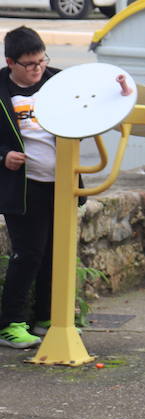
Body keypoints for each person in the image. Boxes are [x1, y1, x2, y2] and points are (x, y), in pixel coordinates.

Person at [0, 28, 59, 348]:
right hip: (23, 188)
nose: (38, 68)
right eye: (30, 64)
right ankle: (10, 323)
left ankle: (47, 317)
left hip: (60, 183)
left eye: (41, 60)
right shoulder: (2, 90)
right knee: (28, 254)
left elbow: (96, 103)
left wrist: (119, 91)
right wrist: (3, 156)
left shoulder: (58, 82)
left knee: (54, 252)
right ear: (11, 62)